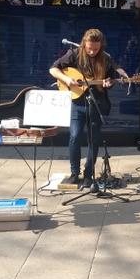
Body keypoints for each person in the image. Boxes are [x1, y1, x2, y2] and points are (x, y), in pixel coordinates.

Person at [49, 28, 128, 188]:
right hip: (77, 103)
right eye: (89, 48)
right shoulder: (75, 53)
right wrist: (66, 79)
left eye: (96, 48)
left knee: (93, 140)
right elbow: (53, 69)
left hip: (96, 103)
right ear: (84, 43)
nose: (92, 51)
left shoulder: (105, 59)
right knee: (74, 136)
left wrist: (114, 80)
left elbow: (115, 72)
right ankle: (74, 173)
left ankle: (88, 174)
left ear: (101, 46)